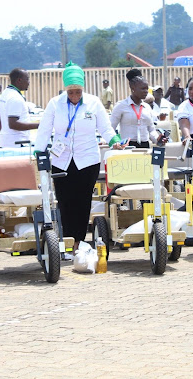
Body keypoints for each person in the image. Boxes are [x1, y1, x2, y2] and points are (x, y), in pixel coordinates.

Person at [34, 62, 125, 254]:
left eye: (77, 92)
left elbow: (105, 128)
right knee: (65, 201)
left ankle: (79, 242)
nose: (74, 96)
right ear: (65, 89)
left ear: (83, 88)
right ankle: (67, 242)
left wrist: (114, 140)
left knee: (83, 202)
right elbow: (44, 130)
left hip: (87, 160)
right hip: (62, 160)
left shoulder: (93, 103)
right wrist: (38, 152)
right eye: (70, 92)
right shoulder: (54, 104)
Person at [110, 69, 166, 148]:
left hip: (145, 146)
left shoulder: (147, 107)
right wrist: (115, 142)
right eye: (143, 88)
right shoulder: (121, 106)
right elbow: (110, 127)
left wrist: (158, 139)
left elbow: (151, 130)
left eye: (147, 89)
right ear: (133, 88)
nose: (146, 91)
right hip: (127, 147)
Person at [0, 68, 39, 148]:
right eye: (27, 79)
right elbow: (13, 124)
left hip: (6, 142)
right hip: (17, 144)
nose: (29, 82)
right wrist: (39, 125)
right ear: (19, 80)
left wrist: (6, 134)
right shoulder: (15, 98)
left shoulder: (5, 94)